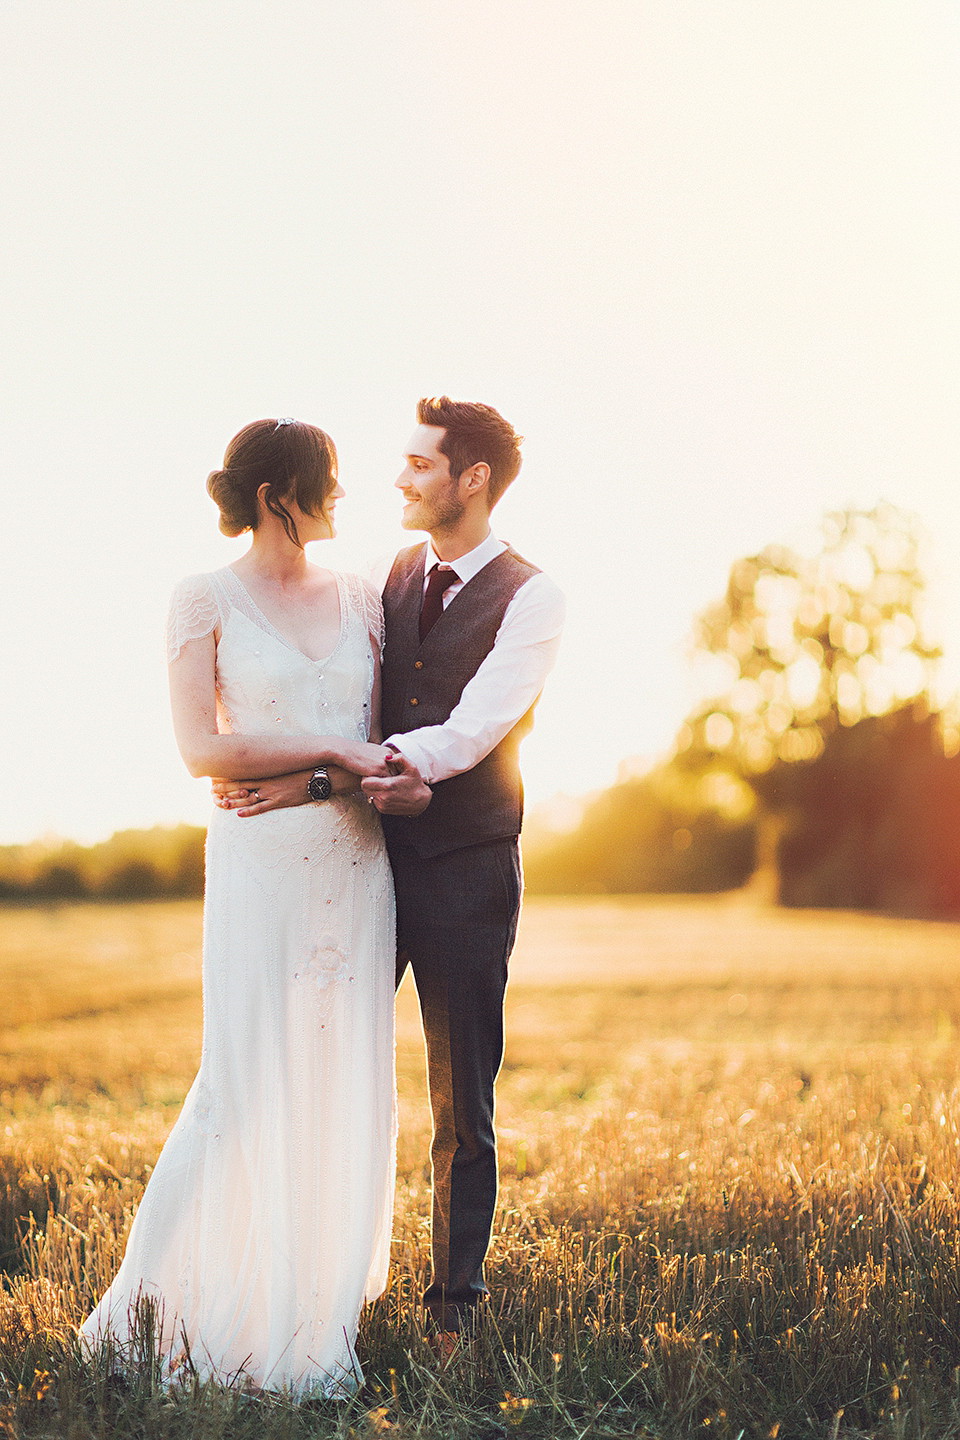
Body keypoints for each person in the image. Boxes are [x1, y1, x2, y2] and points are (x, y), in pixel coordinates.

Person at [80, 417, 418, 1398]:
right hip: (258, 866)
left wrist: (328, 774)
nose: (344, 502)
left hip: (353, 860)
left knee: (341, 1074)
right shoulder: (204, 597)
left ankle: (315, 1307)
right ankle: (163, 1309)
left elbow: (378, 744)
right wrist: (341, 757)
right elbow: (202, 748)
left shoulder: (364, 598)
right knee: (243, 1079)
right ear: (280, 494)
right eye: (330, 484)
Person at [215, 398, 565, 1343]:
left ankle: (454, 1311)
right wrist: (317, 784)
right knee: (327, 1068)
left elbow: (480, 721)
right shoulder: (383, 579)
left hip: (464, 869)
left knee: (461, 1100)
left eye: (418, 464)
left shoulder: (534, 595)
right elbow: (352, 701)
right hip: (360, 864)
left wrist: (413, 773)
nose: (400, 480)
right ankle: (310, 1284)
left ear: (472, 478)